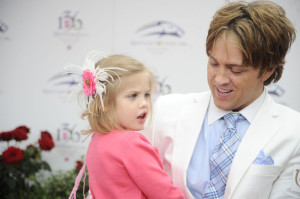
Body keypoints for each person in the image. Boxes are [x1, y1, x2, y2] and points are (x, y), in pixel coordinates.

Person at [143, 1, 300, 199]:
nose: (220, 79)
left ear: (268, 70)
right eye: (213, 63)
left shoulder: (294, 132)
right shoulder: (166, 111)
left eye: (236, 70)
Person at [67, 51, 185, 199]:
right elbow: (164, 192)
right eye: (133, 96)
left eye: (147, 95)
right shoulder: (131, 143)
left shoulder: (97, 140)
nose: (144, 103)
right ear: (106, 102)